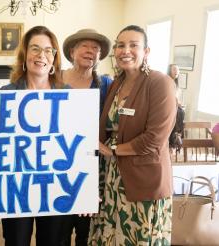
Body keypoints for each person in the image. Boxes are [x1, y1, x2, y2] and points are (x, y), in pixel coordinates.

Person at [89, 25, 176, 245]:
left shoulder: (159, 83)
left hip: (144, 182)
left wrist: (113, 150)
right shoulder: (116, 83)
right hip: (112, 178)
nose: (125, 50)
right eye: (120, 45)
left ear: (146, 51)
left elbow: (154, 139)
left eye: (133, 45)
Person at [1, 25, 67, 246]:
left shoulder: (69, 97)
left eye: (48, 50)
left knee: (53, 241)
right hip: (17, 186)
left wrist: (85, 188)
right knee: (16, 241)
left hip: (56, 184)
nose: (42, 56)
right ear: (25, 54)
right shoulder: (5, 95)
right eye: (35, 49)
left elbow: (80, 146)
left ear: (54, 57)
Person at [60, 28, 112, 246]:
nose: (90, 51)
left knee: (86, 229)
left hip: (91, 164)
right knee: (58, 226)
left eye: (96, 49)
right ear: (72, 51)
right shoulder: (55, 79)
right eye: (85, 46)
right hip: (59, 161)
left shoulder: (106, 85)